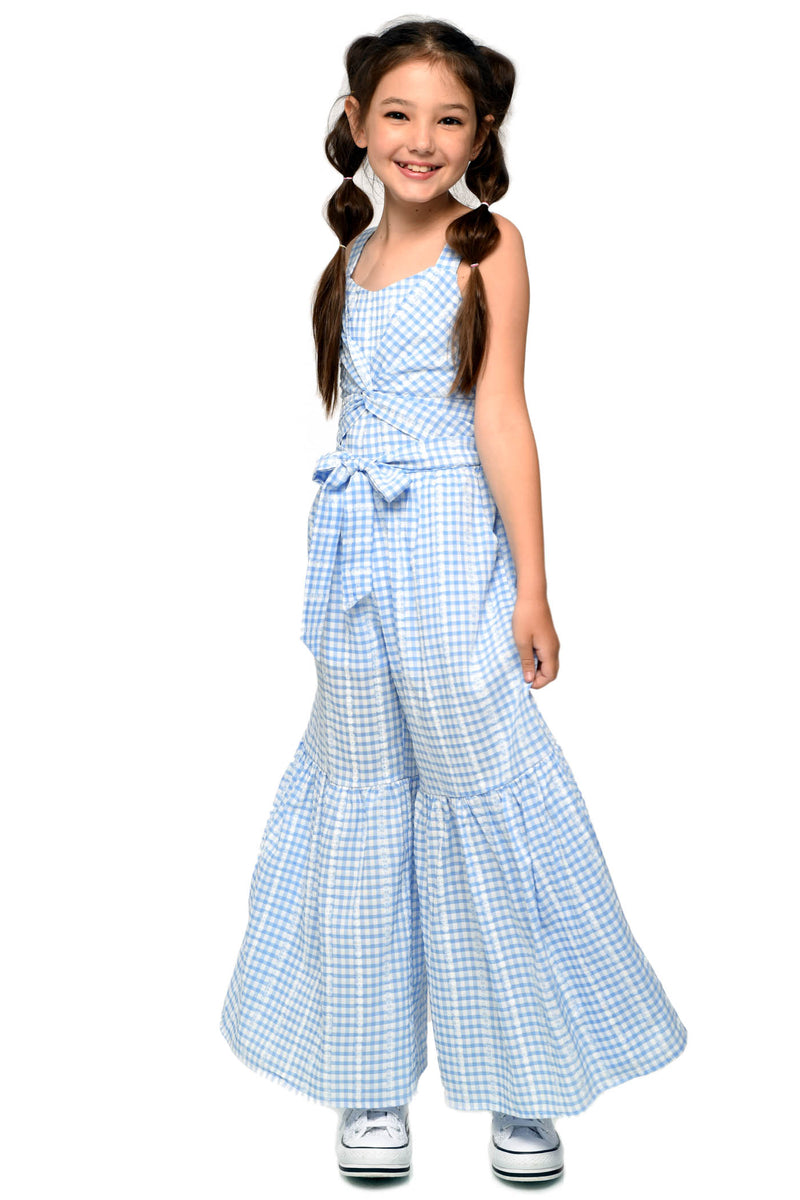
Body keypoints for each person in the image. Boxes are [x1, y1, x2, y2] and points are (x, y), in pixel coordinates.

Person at [219, 17, 688, 1183]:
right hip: (350, 561)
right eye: (396, 113)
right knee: (361, 801)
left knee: (483, 795)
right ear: (353, 122)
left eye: (448, 119)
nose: (419, 139)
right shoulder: (347, 259)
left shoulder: (489, 249)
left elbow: (500, 415)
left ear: (481, 137)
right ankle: (368, 1077)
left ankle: (524, 1081)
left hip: (446, 549)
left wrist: (531, 586)